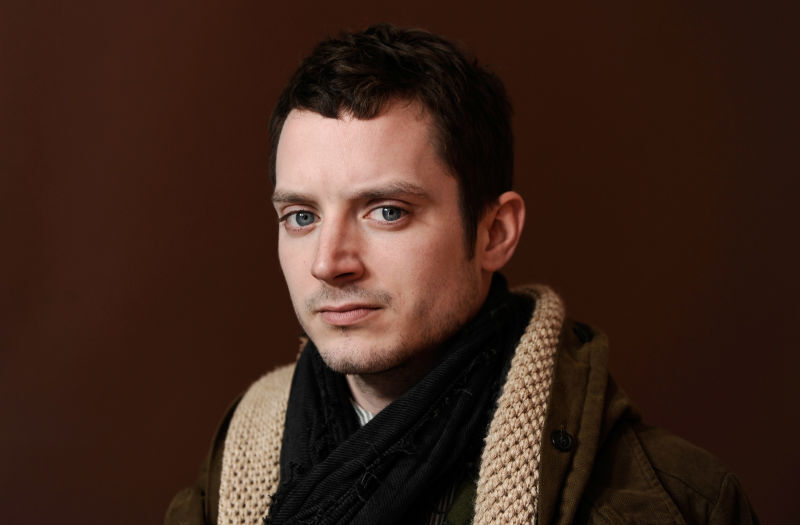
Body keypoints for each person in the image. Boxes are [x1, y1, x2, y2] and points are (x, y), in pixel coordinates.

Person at [165, 24, 758, 525]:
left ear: (494, 233)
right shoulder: (231, 473)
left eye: (387, 211)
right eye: (301, 216)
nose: (328, 262)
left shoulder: (674, 501)